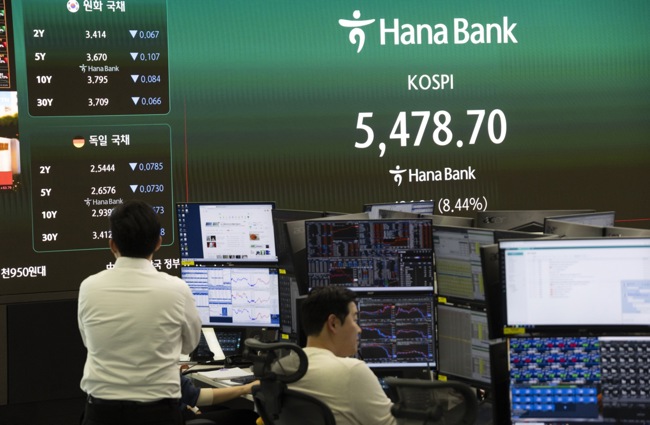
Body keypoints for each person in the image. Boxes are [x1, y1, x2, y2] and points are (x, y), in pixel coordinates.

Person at [77, 200, 202, 425]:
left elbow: (90, 342)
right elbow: (189, 346)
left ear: (112, 244)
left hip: (101, 414)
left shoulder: (89, 287)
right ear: (158, 243)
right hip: (159, 415)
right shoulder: (177, 289)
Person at [287, 286, 397, 425]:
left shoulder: (284, 369)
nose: (359, 329)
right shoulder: (352, 371)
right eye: (354, 319)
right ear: (333, 323)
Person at [179, 374, 259, 425]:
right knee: (249, 416)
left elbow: (185, 394)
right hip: (178, 418)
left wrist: (191, 407)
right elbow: (197, 396)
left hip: (178, 411)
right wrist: (245, 388)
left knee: (223, 408)